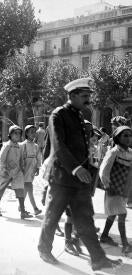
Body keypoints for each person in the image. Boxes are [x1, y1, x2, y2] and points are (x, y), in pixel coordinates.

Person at [37, 77, 122, 271]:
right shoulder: (58, 115)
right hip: (62, 178)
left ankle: (98, 259)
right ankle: (44, 249)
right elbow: (58, 146)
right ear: (72, 95)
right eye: (84, 96)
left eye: (88, 96)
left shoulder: (78, 115)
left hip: (80, 179)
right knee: (52, 215)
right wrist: (76, 168)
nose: (88, 100)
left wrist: (88, 168)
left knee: (85, 218)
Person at [99, 126, 132, 254]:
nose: (128, 138)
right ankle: (125, 244)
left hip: (124, 190)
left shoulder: (130, 153)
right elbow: (104, 170)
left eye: (130, 135)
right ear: (118, 137)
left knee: (113, 214)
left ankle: (104, 236)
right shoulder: (114, 152)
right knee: (122, 214)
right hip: (113, 189)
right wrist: (107, 186)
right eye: (125, 135)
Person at [0, 125, 32, 220]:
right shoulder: (7, 145)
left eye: (19, 133)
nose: (17, 135)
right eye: (15, 133)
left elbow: (20, 159)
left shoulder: (19, 146)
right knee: (1, 189)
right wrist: (3, 170)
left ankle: (22, 211)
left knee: (20, 189)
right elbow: (2, 159)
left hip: (17, 171)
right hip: (6, 171)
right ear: (10, 135)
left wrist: (22, 169)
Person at [20, 125, 42, 216]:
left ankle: (21, 206)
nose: (34, 133)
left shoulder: (36, 146)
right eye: (31, 132)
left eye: (34, 131)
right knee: (29, 187)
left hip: (32, 168)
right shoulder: (22, 145)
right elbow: (19, 157)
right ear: (26, 133)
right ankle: (35, 208)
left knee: (27, 188)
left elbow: (38, 157)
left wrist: (37, 167)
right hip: (25, 167)